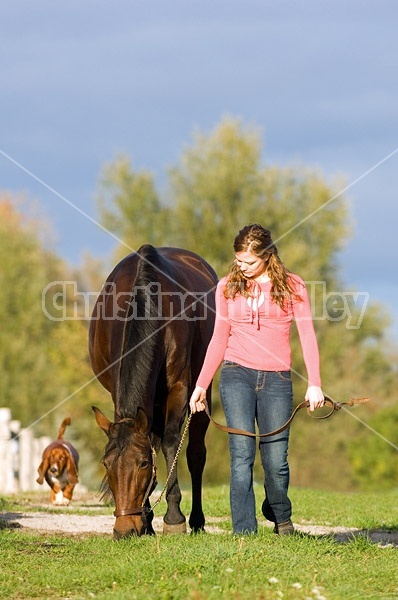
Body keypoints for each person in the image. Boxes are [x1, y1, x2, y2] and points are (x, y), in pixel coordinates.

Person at [189, 224, 324, 535]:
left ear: (267, 256)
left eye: (248, 262)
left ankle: (280, 514)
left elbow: (307, 335)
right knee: (241, 455)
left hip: (277, 380)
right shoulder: (226, 288)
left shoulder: (293, 286)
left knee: (276, 460)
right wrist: (201, 386)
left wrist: (314, 382)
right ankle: (244, 532)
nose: (242, 267)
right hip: (236, 373)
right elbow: (218, 339)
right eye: (238, 260)